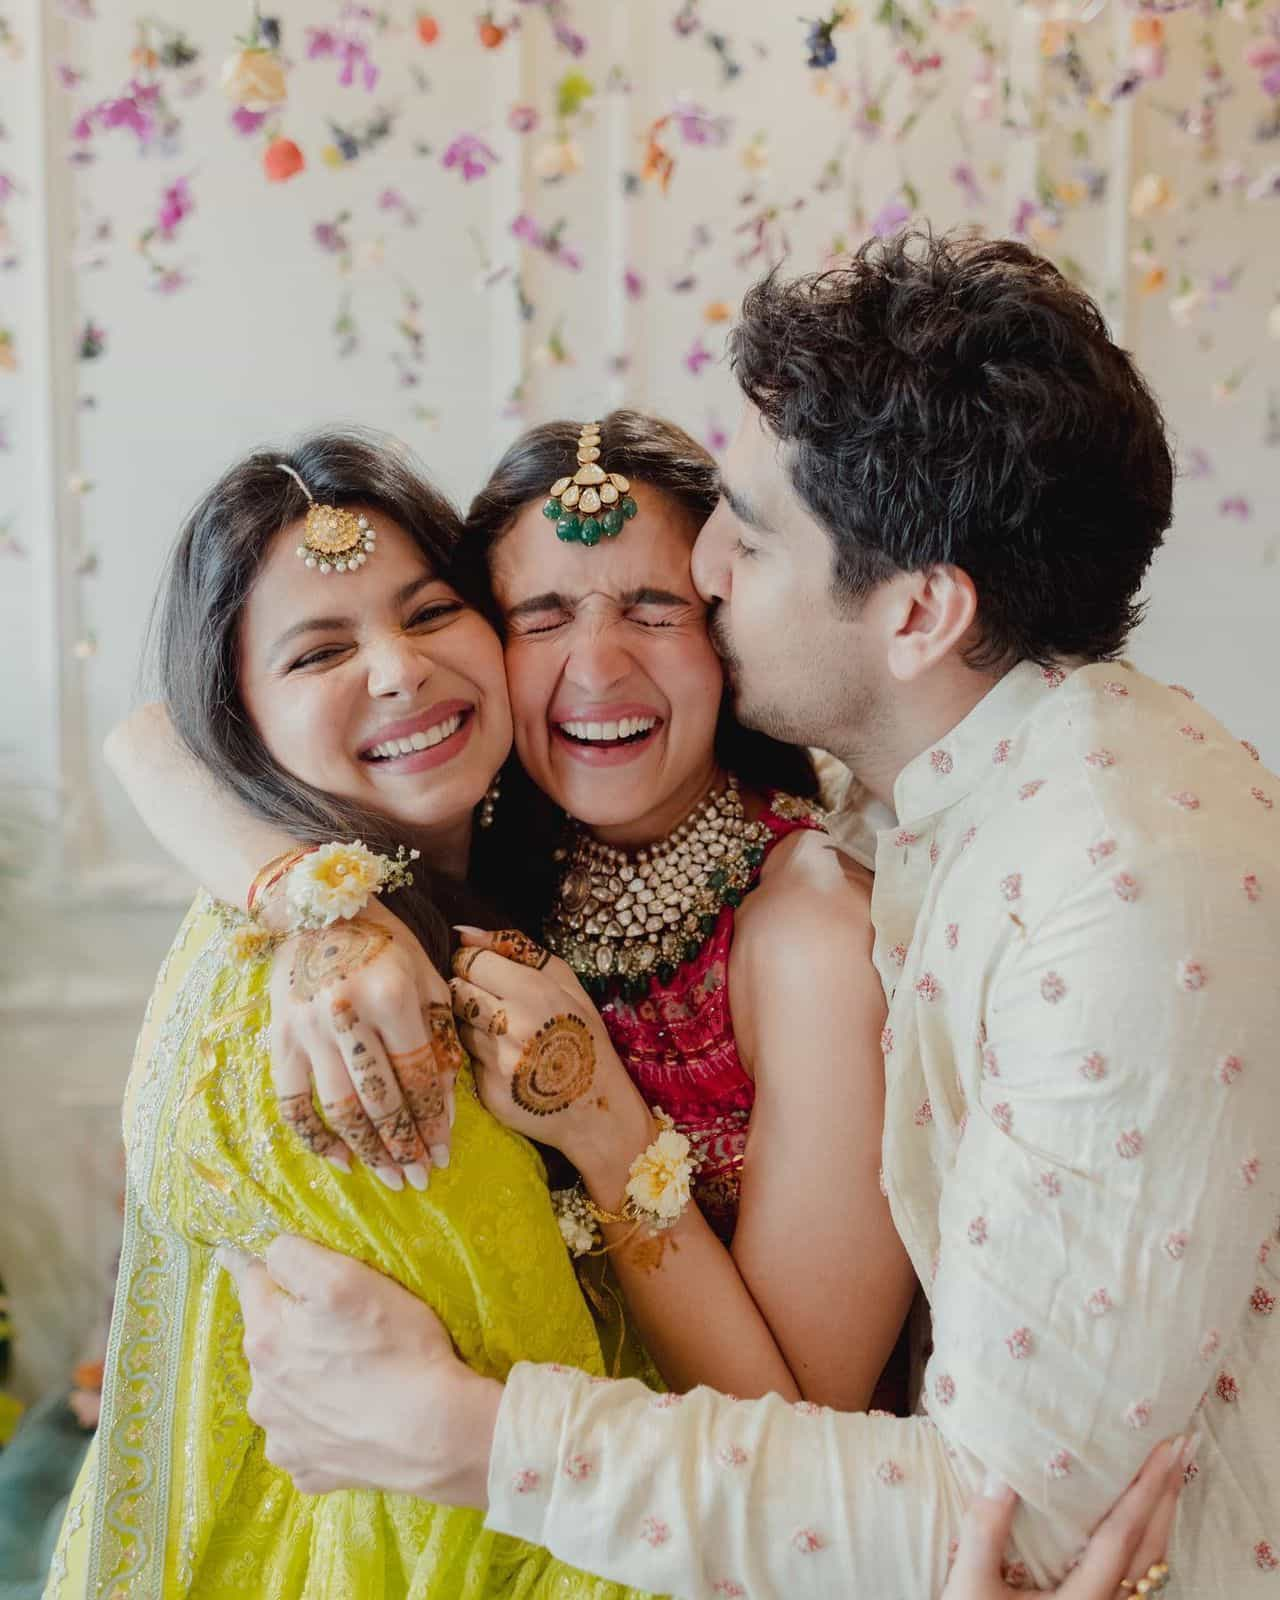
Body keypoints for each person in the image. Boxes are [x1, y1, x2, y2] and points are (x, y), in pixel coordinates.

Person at [222, 230, 1280, 1597]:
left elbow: (1002, 1527)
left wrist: (459, 1437)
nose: (711, 568)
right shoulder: (943, 792)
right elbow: (179, 726)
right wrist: (314, 907)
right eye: (540, 613)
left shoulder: (1115, 886)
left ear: (919, 613)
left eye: (750, 535)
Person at [106, 409, 915, 1413]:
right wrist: (320, 909)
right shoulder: (492, 832)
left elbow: (800, 1435)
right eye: (538, 615)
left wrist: (602, 1126)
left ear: (728, 630)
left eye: (655, 607)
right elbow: (157, 734)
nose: (595, 665)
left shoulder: (813, 936)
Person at [43, 431, 668, 1600]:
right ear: (237, 718)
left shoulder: (443, 904)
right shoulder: (346, 1018)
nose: (397, 670)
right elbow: (500, 1502)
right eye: (320, 650)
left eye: (429, 613)